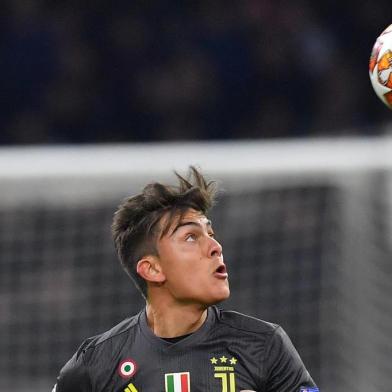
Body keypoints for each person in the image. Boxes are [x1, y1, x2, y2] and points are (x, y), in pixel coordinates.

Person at [54, 166, 318, 392]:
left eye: (211, 233)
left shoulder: (263, 344)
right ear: (152, 269)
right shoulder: (97, 363)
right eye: (191, 237)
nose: (215, 246)